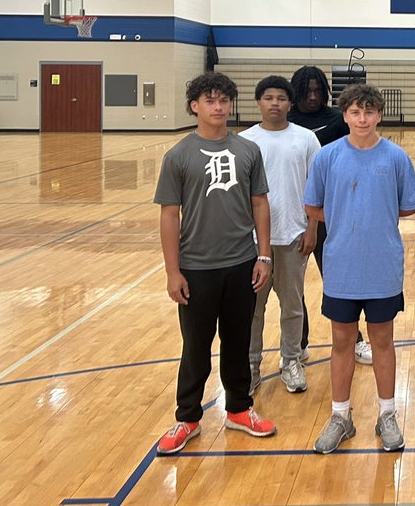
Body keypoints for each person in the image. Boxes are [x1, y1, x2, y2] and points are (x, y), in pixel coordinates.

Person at [154, 72, 277, 454]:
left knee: (238, 342)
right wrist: (173, 271)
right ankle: (187, 417)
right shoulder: (178, 156)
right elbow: (169, 215)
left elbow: (260, 203)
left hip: (241, 263)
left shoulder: (248, 151)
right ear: (195, 106)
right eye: (210, 101)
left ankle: (239, 409)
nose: (218, 107)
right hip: (196, 268)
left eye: (224, 101)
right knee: (195, 347)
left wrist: (264, 254)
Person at [304, 84, 415, 454]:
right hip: (341, 266)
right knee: (341, 342)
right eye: (355, 112)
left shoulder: (397, 157)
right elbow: (313, 207)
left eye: (369, 112)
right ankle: (341, 416)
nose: (362, 118)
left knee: (382, 340)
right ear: (346, 116)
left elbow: (406, 208)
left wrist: (372, 220)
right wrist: (344, 218)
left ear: (379, 114)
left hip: (383, 265)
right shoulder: (327, 157)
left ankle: (387, 414)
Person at [241, 76, 320, 394]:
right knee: (252, 310)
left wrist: (312, 228)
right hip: (251, 242)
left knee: (292, 305)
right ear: (259, 102)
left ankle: (291, 360)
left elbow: (317, 189)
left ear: (290, 103)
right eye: (268, 97)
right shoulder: (244, 141)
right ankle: (250, 364)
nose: (275, 103)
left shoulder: (305, 139)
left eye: (281, 98)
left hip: (293, 236)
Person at [289, 65, 371, 366]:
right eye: (306, 91)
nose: (312, 97)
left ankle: (356, 340)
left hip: (330, 215)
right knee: (291, 285)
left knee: (339, 280)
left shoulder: (337, 122)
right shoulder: (286, 122)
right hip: (291, 215)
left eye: (317, 90)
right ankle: (297, 343)